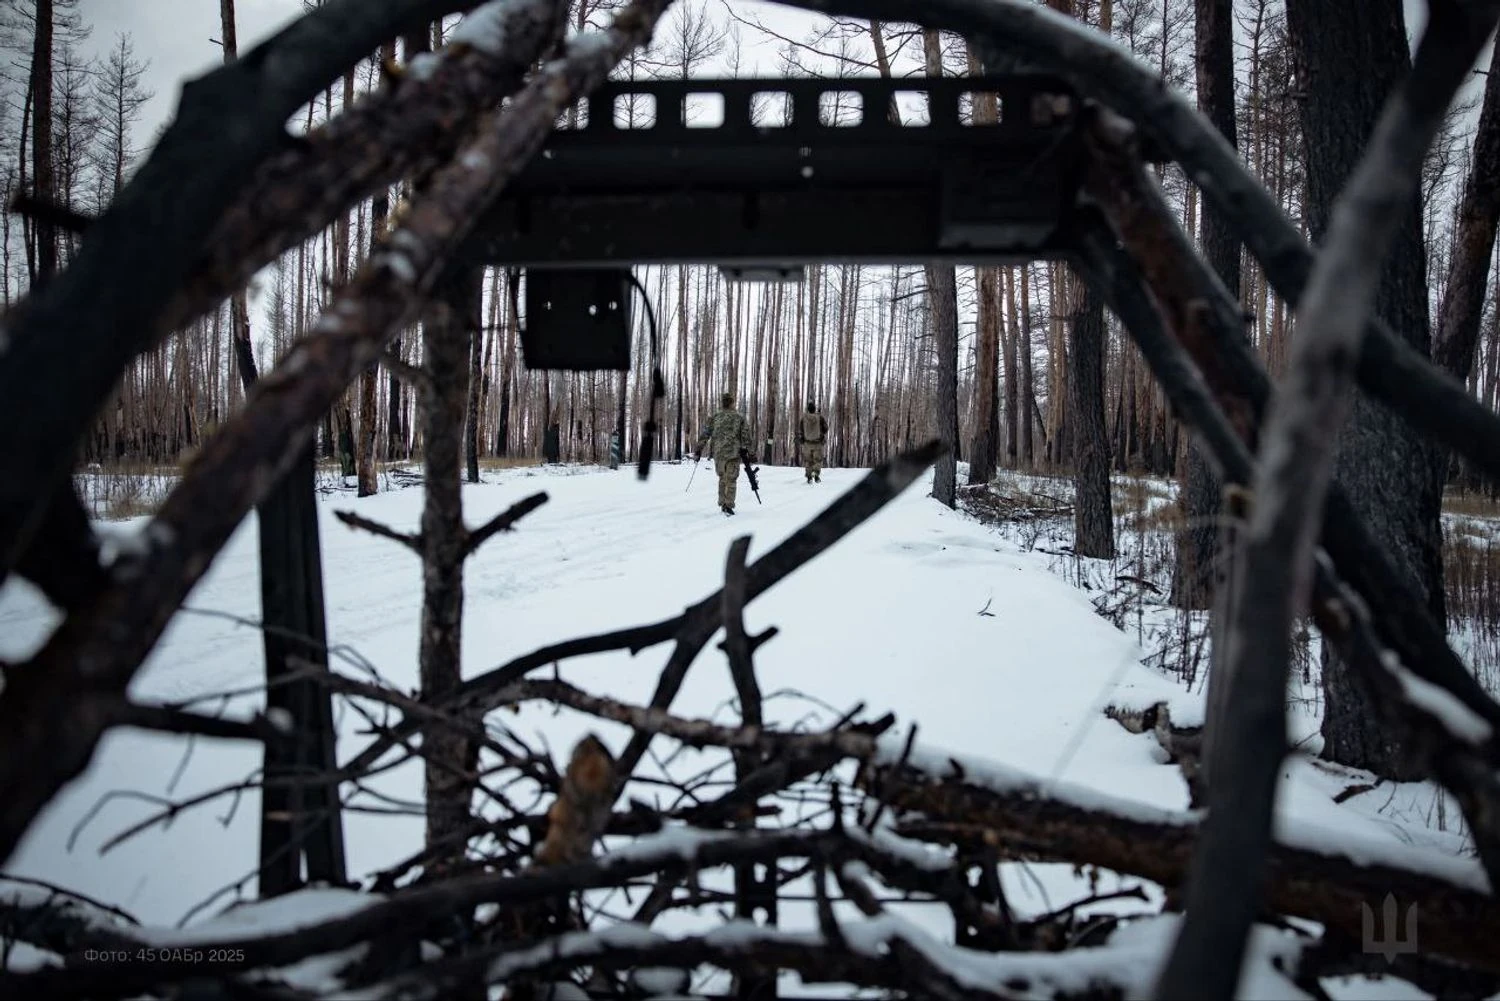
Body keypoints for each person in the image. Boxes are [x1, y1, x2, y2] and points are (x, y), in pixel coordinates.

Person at [698, 392, 752, 515]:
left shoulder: (714, 417)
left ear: (722, 403)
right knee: (731, 479)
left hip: (718, 454)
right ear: (732, 402)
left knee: (722, 478)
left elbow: (705, 433)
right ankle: (728, 505)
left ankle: (722, 502)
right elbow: (746, 436)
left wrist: (698, 448)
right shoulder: (739, 418)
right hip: (733, 453)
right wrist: (751, 453)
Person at [798, 401, 828, 483]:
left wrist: (803, 438)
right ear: (814, 409)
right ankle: (816, 476)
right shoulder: (820, 417)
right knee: (817, 461)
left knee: (808, 461)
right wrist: (821, 433)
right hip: (817, 443)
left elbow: (800, 430)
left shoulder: (803, 418)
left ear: (808, 409)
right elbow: (826, 428)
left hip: (807, 444)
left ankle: (809, 477)